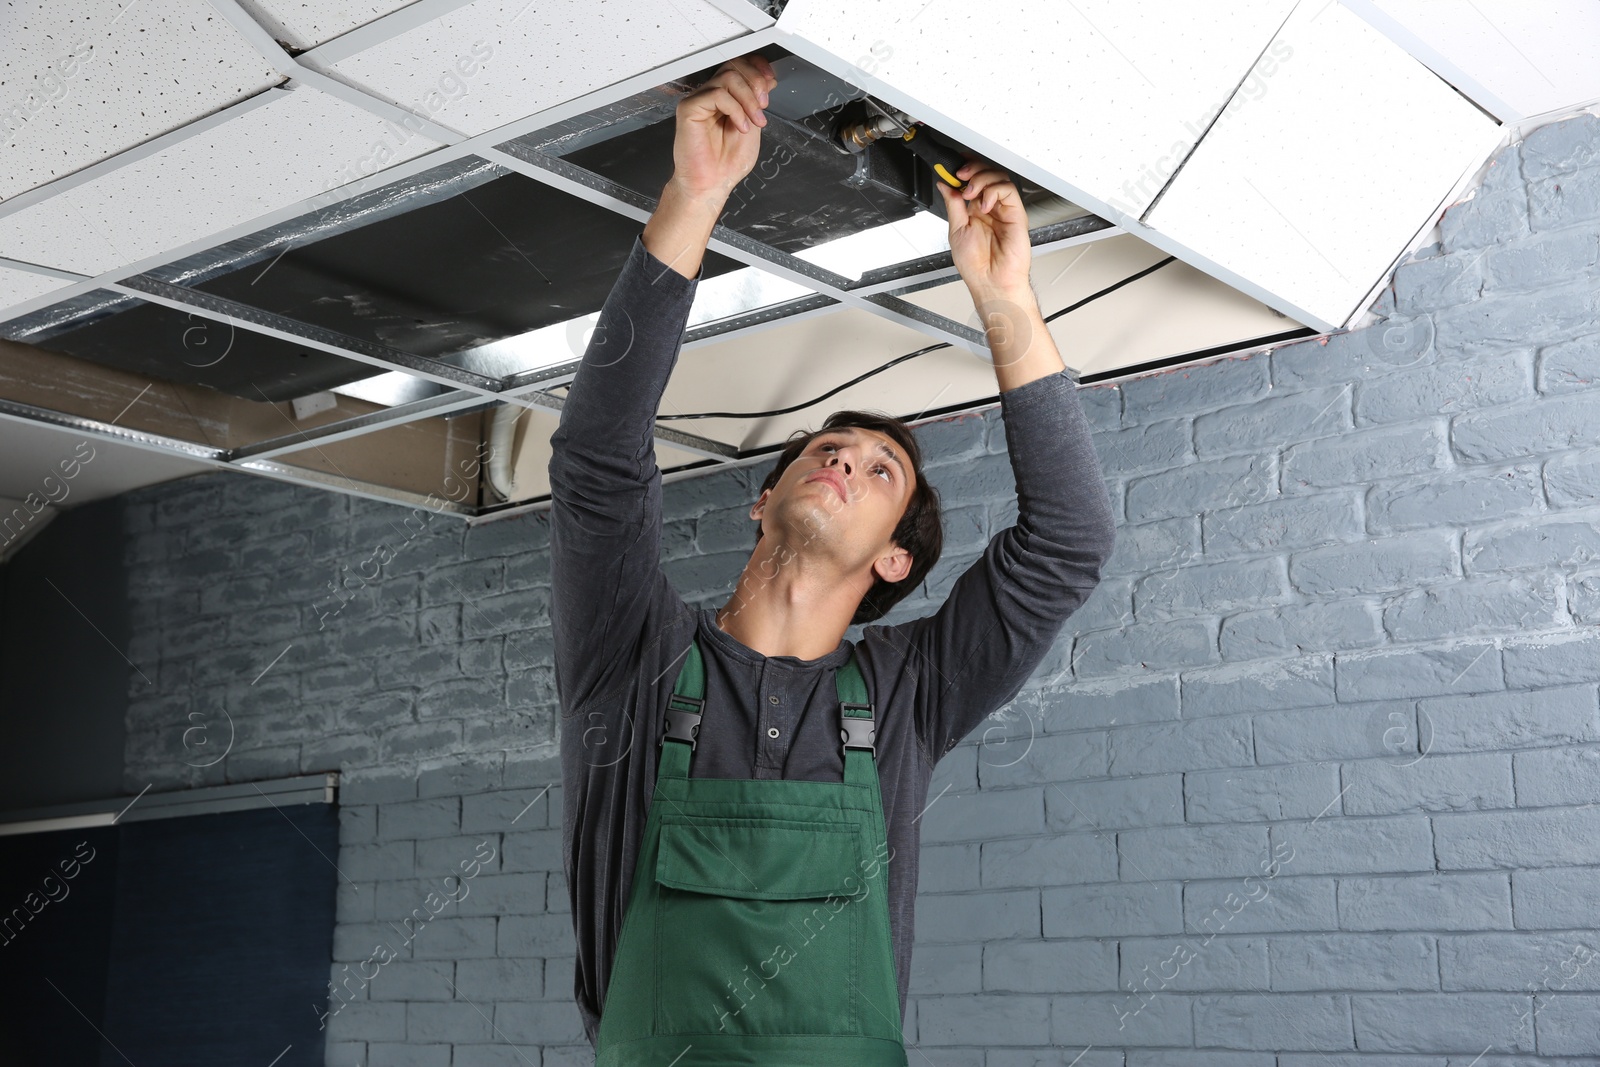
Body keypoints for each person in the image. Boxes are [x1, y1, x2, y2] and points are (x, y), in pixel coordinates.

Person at [547, 51, 1118, 1063]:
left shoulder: (909, 695)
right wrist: (694, 195)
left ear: (894, 562)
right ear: (764, 499)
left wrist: (1004, 299)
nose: (847, 458)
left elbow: (1067, 541)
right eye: (828, 450)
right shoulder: (628, 652)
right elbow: (598, 457)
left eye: (882, 469)